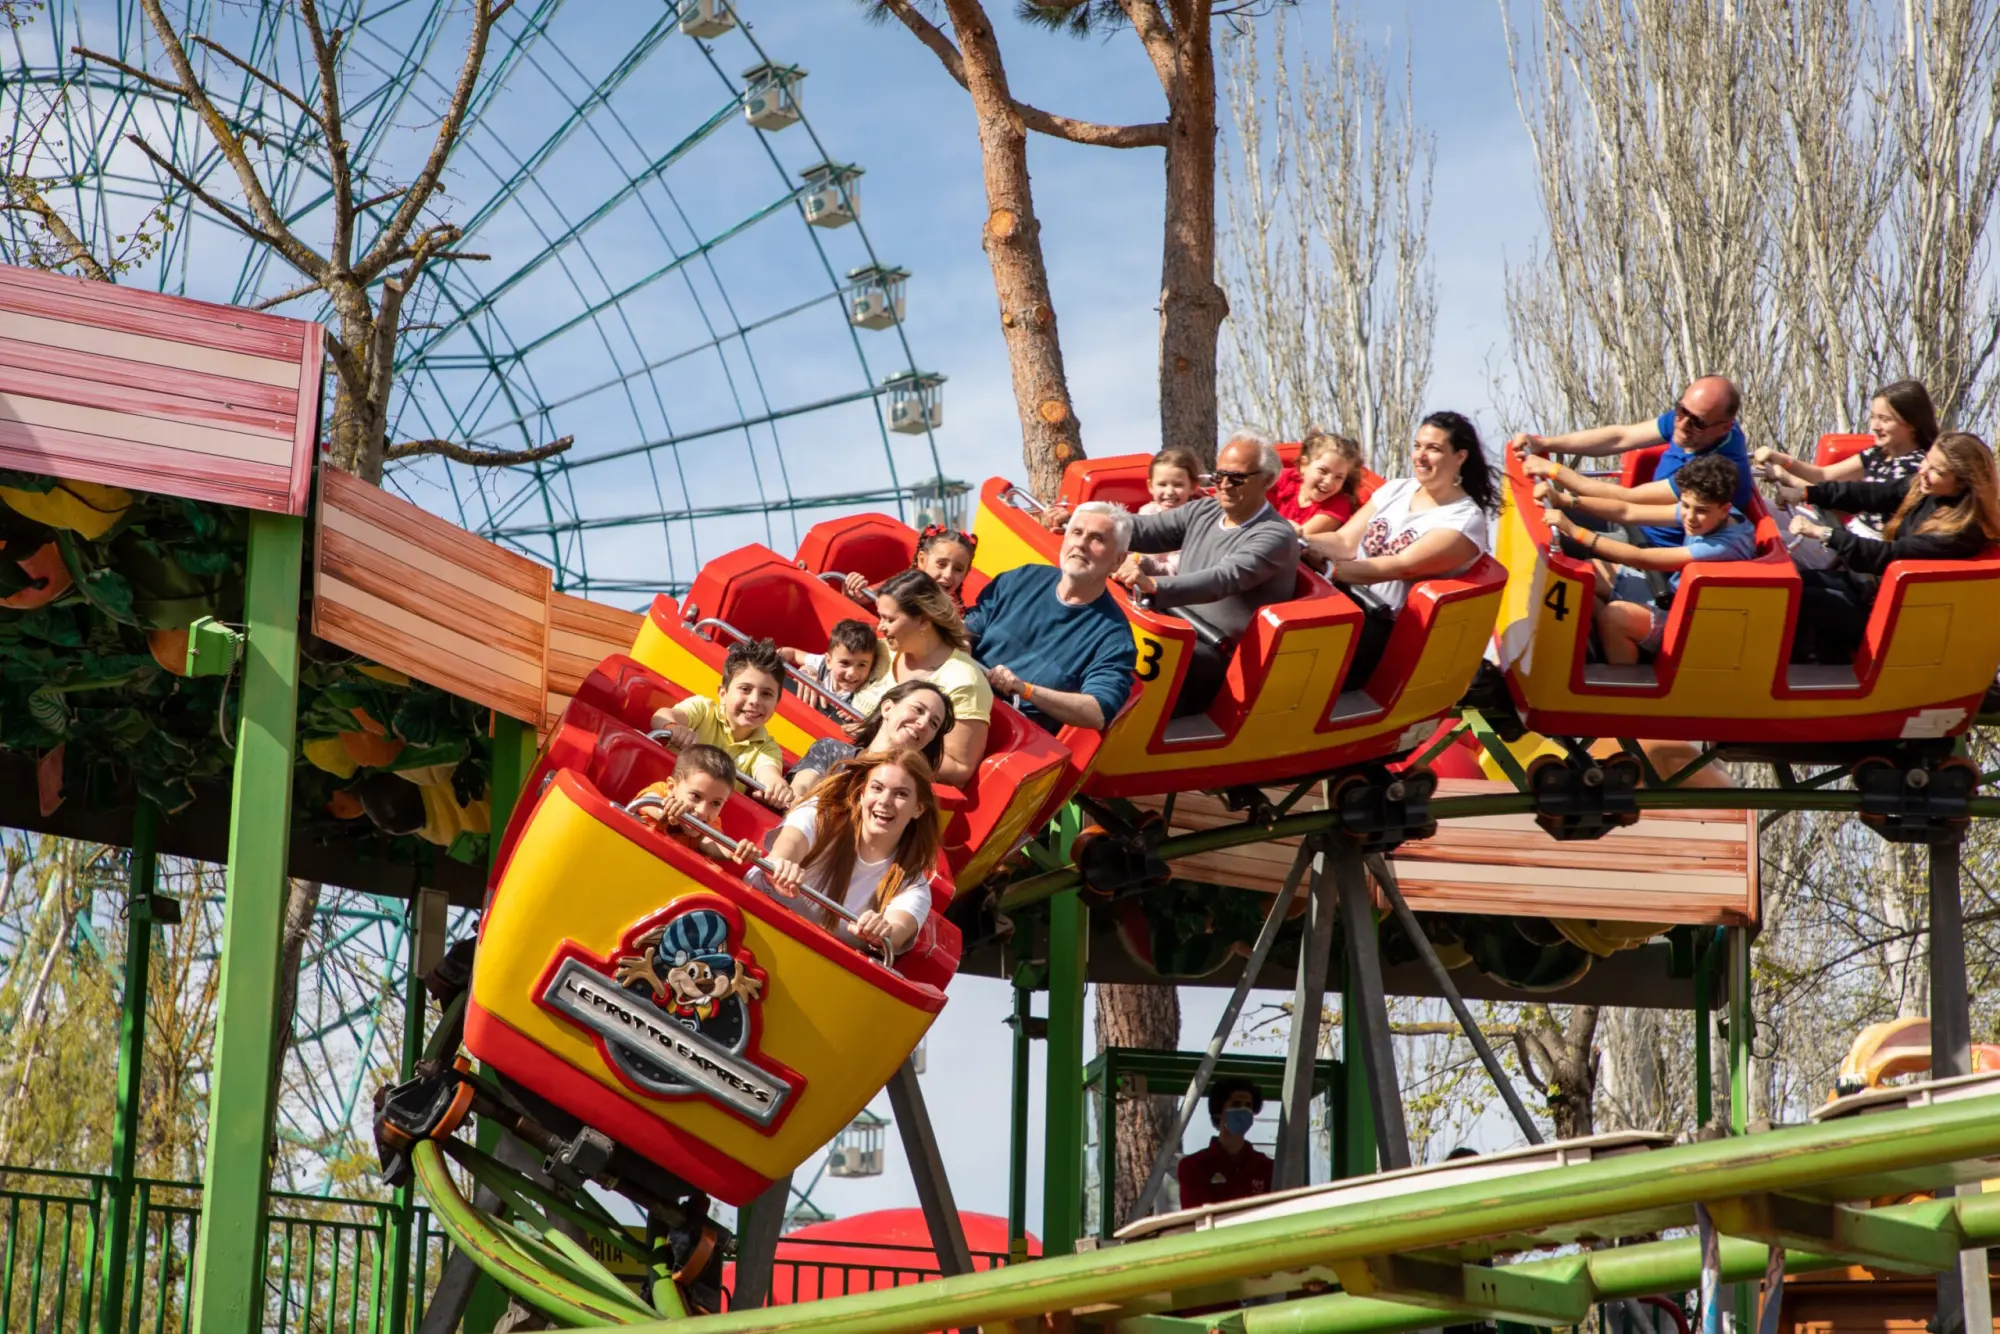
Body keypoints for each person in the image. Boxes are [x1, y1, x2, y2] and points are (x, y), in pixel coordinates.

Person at [1303, 411, 1498, 687]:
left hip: (1384, 630)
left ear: (1460, 457)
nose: (1420, 456)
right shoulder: (1397, 489)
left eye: (1433, 449)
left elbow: (1400, 566)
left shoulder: (1464, 520)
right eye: (1417, 446)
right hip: (1344, 599)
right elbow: (1344, 542)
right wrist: (1297, 540)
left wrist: (1329, 569)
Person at [1114, 431, 1300, 717]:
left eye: (1236, 478)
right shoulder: (1204, 509)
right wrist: (1088, 520)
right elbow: (1144, 529)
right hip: (1171, 623)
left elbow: (1223, 578)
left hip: (1217, 654)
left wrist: (1153, 585)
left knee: (1131, 664)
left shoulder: (1275, 535)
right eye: (1219, 476)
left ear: (1267, 480)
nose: (1224, 485)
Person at [1784, 433, 2000, 663]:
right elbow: (1871, 494)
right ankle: (1828, 658)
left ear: (1963, 482)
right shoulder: (1924, 489)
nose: (1923, 471)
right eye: (1927, 461)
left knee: (1802, 599)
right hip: (1877, 591)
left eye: (1937, 471)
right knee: (1792, 585)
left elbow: (1891, 555)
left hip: (1901, 617)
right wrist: (1809, 493)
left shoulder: (1961, 530)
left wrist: (1823, 533)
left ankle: (1801, 669)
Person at [1543, 454, 1756, 664]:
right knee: (1590, 572)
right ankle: (1606, 640)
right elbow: (1628, 511)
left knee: (1615, 616)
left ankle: (1623, 679)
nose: (1690, 517)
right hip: (1677, 596)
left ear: (1725, 509)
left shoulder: (1724, 546)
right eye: (1685, 505)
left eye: (1700, 511)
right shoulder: (1709, 511)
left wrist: (1574, 530)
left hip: (1691, 623)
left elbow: (1641, 558)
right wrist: (1565, 500)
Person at [1510, 375, 1756, 547]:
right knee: (1532, 517)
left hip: (1652, 545)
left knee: (1553, 543)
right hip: (1629, 520)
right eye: (1681, 411)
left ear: (1725, 427)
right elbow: (1621, 437)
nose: (1682, 424)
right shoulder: (1692, 420)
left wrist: (1554, 471)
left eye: (1697, 422)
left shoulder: (1716, 471)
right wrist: (1545, 444)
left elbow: (1628, 500)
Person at [968, 501, 1136, 734]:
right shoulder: (1022, 578)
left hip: (1011, 734)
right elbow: (970, 626)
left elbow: (1097, 711)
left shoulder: (1114, 637)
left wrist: (1025, 690)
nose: (1081, 544)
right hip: (959, 694)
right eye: (1076, 532)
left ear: (1118, 560)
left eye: (1097, 539)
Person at [758, 751, 942, 952]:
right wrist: (783, 866)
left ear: (918, 809)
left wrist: (882, 931)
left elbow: (899, 928)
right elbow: (789, 845)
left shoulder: (912, 884)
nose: (885, 801)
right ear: (862, 794)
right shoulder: (820, 814)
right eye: (877, 788)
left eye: (901, 794)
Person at [849, 569, 991, 787]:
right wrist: (813, 672)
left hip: (886, 783)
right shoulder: (882, 650)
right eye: (881, 617)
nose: (881, 627)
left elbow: (959, 768)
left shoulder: (964, 680)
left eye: (889, 619)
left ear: (924, 621)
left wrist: (887, 744)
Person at [1754, 379, 1938, 541]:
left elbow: (1852, 500)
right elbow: (1824, 475)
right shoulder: (1879, 453)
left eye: (1884, 419)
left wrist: (1789, 480)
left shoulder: (1914, 468)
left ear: (1912, 424)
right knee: (1763, 510)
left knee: (1775, 541)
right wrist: (1783, 460)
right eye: (1873, 417)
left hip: (1863, 547)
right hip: (1847, 532)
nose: (1874, 426)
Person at [649, 638, 794, 810]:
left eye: (766, 694)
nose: (755, 700)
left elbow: (768, 773)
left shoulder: (766, 748)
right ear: (723, 694)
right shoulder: (703, 710)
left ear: (776, 705)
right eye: (745, 689)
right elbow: (661, 716)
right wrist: (674, 728)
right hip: (661, 796)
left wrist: (776, 785)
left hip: (705, 817)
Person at [788, 679, 956, 801]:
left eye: (933, 724)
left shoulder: (910, 791)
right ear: (887, 708)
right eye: (918, 709)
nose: (923, 724)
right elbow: (801, 788)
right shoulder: (830, 750)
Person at [629, 744, 764, 865]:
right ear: (672, 787)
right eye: (695, 796)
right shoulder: (660, 794)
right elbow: (648, 802)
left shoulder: (710, 824)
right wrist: (664, 811)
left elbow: (711, 843)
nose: (702, 810)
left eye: (715, 803)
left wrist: (734, 850)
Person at [1175, 1078, 1273, 1209]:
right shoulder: (1193, 1167)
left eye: (1248, 1105)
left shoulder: (1267, 1168)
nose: (1244, 1111)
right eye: (1236, 1104)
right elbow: (1195, 1215)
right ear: (1218, 1111)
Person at [845, 524, 977, 611]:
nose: (948, 575)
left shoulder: (956, 607)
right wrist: (853, 592)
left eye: (958, 569)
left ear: (966, 573)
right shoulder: (903, 587)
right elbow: (865, 597)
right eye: (941, 564)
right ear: (922, 560)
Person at [1271, 428, 1365, 535]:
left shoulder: (1339, 505)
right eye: (1323, 471)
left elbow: (1300, 536)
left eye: (1338, 477)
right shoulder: (1285, 479)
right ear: (1304, 465)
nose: (1328, 481)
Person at [779, 618, 877, 721]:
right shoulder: (822, 665)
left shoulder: (865, 694)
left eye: (862, 665)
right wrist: (806, 672)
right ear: (828, 661)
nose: (852, 673)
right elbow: (791, 653)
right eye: (845, 663)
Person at [1135, 446, 1204, 578]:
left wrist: (1145, 564)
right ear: (1150, 486)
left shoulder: (1196, 523)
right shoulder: (1146, 513)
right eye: (1162, 484)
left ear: (1193, 486)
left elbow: (1179, 570)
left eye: (1178, 485)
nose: (1169, 492)